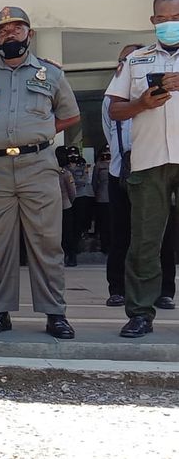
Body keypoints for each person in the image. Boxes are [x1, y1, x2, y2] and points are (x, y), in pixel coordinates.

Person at [0, 6, 80, 339]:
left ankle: (55, 313)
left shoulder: (51, 75)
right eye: (2, 30)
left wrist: (38, 132)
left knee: (47, 242)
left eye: (16, 28)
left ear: (30, 34)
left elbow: (69, 116)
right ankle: (0, 312)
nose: (9, 34)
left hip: (38, 166)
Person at [103, 41, 176, 314]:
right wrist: (141, 103)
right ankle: (139, 312)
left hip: (168, 156)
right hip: (141, 163)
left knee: (165, 237)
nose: (169, 23)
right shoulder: (135, 63)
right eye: (163, 18)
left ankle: (166, 292)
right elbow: (114, 115)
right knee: (140, 238)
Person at [56, 146, 77, 267]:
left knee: (63, 234)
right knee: (67, 233)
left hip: (58, 206)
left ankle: (68, 257)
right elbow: (72, 192)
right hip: (65, 205)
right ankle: (70, 257)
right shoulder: (65, 173)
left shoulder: (57, 173)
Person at [69, 147, 95, 239]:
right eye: (71, 154)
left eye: (75, 154)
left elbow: (85, 180)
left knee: (81, 218)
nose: (73, 156)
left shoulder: (82, 165)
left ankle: (81, 235)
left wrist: (74, 182)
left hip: (81, 195)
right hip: (70, 197)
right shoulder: (66, 167)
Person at [92, 146, 111, 253]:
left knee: (112, 223)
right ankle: (105, 245)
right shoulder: (98, 166)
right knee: (103, 224)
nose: (106, 156)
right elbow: (94, 182)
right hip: (102, 198)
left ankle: (111, 244)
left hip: (112, 198)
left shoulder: (115, 164)